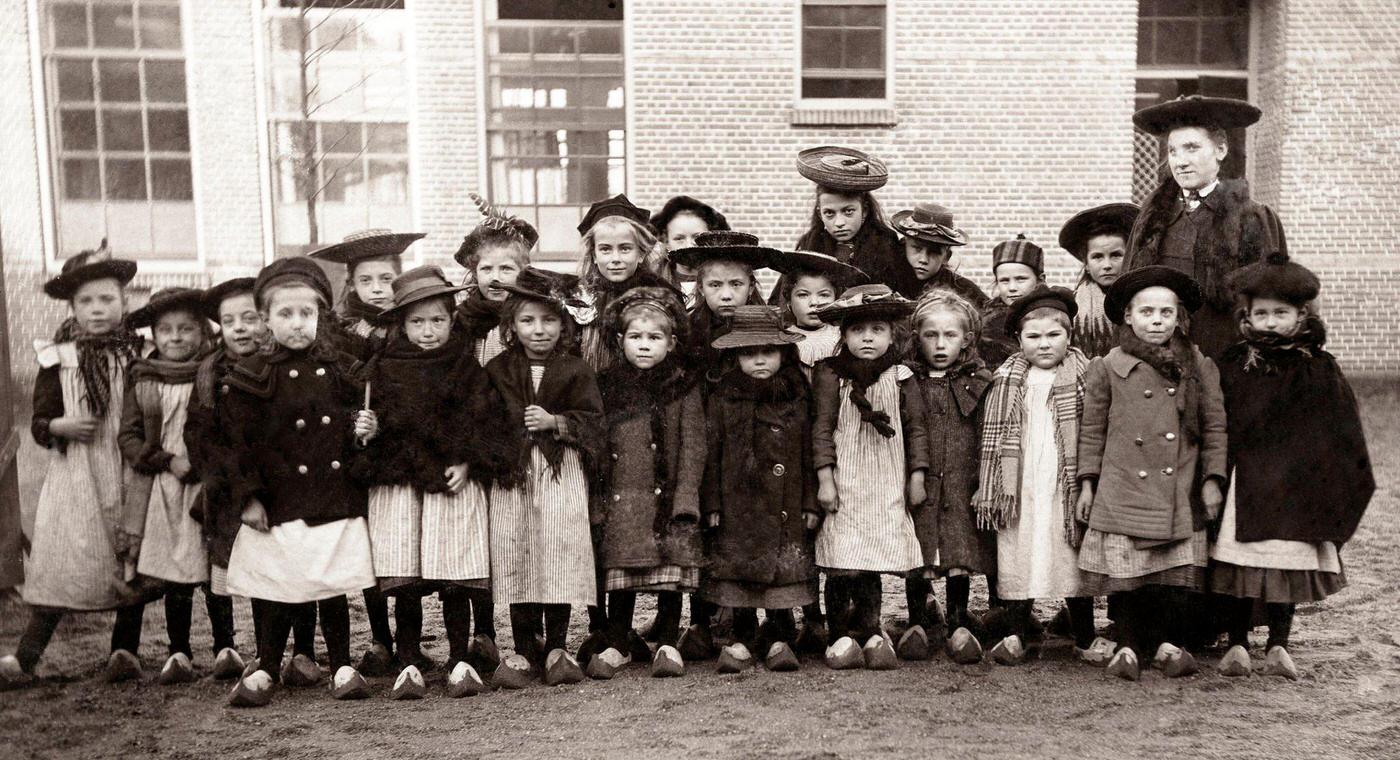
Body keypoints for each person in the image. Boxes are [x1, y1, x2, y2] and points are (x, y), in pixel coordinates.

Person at [220, 257, 378, 707]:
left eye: (306, 314)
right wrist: (248, 498)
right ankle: (268, 665)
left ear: (320, 317)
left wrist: (361, 427)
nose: (296, 323)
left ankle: (343, 664)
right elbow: (237, 445)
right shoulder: (251, 376)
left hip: (330, 497)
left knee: (331, 586)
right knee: (279, 588)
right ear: (266, 319)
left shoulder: (341, 368)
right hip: (280, 499)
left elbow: (349, 422)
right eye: (285, 314)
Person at [354, 265, 517, 696]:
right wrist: (368, 429)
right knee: (406, 577)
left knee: (456, 574)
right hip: (402, 485)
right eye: (417, 322)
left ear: (451, 319)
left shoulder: (465, 368)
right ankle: (408, 658)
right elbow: (376, 425)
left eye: (438, 320)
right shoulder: (382, 370)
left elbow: (484, 424)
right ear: (402, 325)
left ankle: (460, 657)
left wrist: (467, 462)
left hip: (450, 485)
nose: (428, 331)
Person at [1211, 252, 1374, 680]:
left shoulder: (1317, 366)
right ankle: (1237, 644)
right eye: (1260, 313)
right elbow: (1216, 419)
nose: (1269, 322)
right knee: (1239, 567)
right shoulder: (1234, 363)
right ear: (1246, 315)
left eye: (1279, 313)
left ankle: (1279, 643)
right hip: (1244, 483)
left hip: (1295, 488)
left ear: (1301, 314)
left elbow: (1341, 429)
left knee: (1286, 567)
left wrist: (1330, 481)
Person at [1, 247, 144, 689]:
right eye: (86, 302)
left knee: (131, 561)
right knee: (62, 562)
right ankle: (25, 657)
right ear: (72, 307)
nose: (97, 310)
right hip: (76, 475)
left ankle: (125, 650)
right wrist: (60, 424)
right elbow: (40, 420)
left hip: (126, 469)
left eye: (107, 300)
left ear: (124, 302)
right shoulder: (57, 357)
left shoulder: (137, 353)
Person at [1076, 266, 1228, 682]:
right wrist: (1087, 483)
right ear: (1128, 316)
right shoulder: (1107, 366)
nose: (1156, 320)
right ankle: (1127, 643)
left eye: (1166, 312)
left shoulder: (1197, 364)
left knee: (1171, 577)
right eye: (1147, 312)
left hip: (1179, 483)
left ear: (1179, 317)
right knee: (1127, 577)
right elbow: (1092, 430)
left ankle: (1164, 643)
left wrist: (1212, 480)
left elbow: (1214, 426)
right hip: (1121, 484)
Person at [308, 227, 425, 673]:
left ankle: (411, 640)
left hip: (401, 452)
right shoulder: (337, 336)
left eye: (386, 280)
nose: (378, 290)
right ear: (351, 286)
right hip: (356, 454)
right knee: (370, 551)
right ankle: (380, 639)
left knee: (403, 550)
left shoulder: (411, 326)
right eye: (367, 281)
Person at [485, 269, 605, 686]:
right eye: (528, 321)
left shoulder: (575, 370)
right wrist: (511, 432)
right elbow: (483, 420)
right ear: (511, 326)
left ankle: (556, 645)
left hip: (559, 473)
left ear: (565, 324)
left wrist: (556, 421)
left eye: (549, 320)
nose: (539, 330)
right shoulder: (498, 369)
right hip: (513, 476)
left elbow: (594, 422)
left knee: (557, 553)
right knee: (518, 553)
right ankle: (522, 647)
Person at [974, 286, 1103, 666]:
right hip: (1021, 483)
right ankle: (1016, 634)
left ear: (1069, 336)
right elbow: (993, 434)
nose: (1044, 344)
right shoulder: (1007, 379)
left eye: (1053, 335)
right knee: (1018, 552)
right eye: (1033, 337)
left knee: (1069, 554)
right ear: (1019, 340)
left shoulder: (1086, 376)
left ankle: (1084, 635)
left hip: (1065, 482)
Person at [186, 277, 297, 683]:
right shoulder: (208, 374)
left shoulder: (280, 366)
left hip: (277, 489)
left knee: (272, 574)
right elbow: (199, 435)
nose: (240, 328)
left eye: (249, 318)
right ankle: (228, 646)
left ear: (266, 320)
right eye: (228, 320)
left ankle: (280, 653)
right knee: (229, 570)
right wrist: (224, 479)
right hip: (228, 491)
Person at [811, 284, 928, 669]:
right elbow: (822, 429)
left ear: (892, 334)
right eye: (857, 330)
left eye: (877, 329)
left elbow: (916, 431)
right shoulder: (830, 374)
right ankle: (839, 636)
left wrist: (916, 477)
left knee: (872, 560)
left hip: (886, 482)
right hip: (846, 482)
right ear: (843, 335)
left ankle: (870, 630)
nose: (867, 338)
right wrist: (826, 479)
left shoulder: (901, 376)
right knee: (843, 560)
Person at [113, 288, 223, 685]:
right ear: (153, 336)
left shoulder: (213, 372)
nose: (176, 337)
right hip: (158, 487)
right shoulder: (142, 377)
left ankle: (225, 647)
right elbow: (128, 437)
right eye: (166, 330)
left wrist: (203, 461)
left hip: (203, 485)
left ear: (203, 332)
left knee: (210, 566)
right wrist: (167, 460)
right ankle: (179, 651)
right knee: (171, 571)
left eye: (186, 329)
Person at [1124, 95, 1286, 360]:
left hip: (1229, 363)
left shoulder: (1253, 218)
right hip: (1160, 363)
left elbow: (1273, 302)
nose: (1180, 161)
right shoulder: (1151, 222)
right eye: (1173, 151)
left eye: (1192, 148)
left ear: (1220, 149)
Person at [595, 286, 705, 677]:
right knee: (622, 576)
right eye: (636, 337)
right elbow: (598, 442)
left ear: (671, 342)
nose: (645, 346)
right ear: (620, 340)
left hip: (668, 495)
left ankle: (667, 643)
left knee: (669, 577)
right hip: (625, 497)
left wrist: (687, 495)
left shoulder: (683, 387)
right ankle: (618, 642)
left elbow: (693, 444)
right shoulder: (608, 386)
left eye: (654, 337)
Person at [702, 306, 819, 672]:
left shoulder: (796, 394)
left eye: (767, 352)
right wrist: (713, 502)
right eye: (749, 354)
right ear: (735, 356)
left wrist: (810, 502)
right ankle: (741, 637)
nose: (758, 361)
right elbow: (712, 452)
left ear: (783, 353)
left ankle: (780, 635)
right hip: (740, 501)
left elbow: (807, 451)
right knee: (739, 570)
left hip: (785, 497)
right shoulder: (724, 397)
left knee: (782, 573)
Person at [901, 289, 997, 662]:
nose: (941, 345)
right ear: (917, 337)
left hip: (961, 480)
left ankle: (958, 619)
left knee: (959, 545)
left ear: (967, 339)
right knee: (919, 547)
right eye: (931, 335)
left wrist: (982, 481)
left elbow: (987, 433)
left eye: (951, 335)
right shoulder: (908, 380)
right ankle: (918, 622)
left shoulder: (979, 381)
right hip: (921, 480)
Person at [782, 146, 913, 299]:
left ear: (864, 210)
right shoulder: (809, 246)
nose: (839, 223)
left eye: (848, 211)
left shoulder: (887, 246)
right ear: (819, 213)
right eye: (829, 213)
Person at [574, 194, 675, 372]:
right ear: (594, 256)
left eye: (625, 249)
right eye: (605, 249)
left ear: (641, 253)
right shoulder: (580, 298)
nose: (615, 259)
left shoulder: (660, 296)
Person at [455, 194, 537, 365]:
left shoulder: (531, 315)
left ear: (522, 272)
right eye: (486, 269)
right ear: (475, 273)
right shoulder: (462, 318)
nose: (495, 278)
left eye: (506, 269)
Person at [1059, 203, 1139, 359]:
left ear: (1129, 257)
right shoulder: (1071, 306)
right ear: (1086, 264)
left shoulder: (1139, 299)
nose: (1107, 265)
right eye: (1097, 257)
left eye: (1116, 255)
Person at [891, 202, 988, 305]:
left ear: (947, 257)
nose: (923, 260)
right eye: (917, 248)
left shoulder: (965, 291)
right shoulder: (890, 280)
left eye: (934, 252)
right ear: (904, 244)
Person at [979, 235, 1046, 370]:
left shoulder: (1052, 314)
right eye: (1004, 280)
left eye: (1021, 279)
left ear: (1040, 280)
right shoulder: (989, 325)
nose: (1012, 288)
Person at [650, 195, 731, 307]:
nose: (688, 245)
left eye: (697, 237)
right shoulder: (654, 282)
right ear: (666, 242)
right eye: (679, 238)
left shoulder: (728, 280)